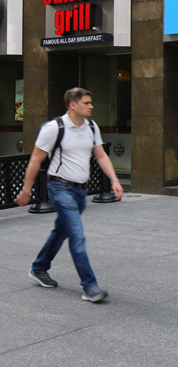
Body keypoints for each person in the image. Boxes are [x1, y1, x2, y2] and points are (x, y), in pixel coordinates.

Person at [16, 87, 124, 303]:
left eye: (91, 102)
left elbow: (101, 155)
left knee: (61, 231)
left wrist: (114, 180)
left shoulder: (91, 127)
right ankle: (90, 287)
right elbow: (36, 159)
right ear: (73, 105)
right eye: (86, 103)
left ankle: (38, 268)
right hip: (60, 188)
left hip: (81, 190)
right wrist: (27, 189)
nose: (91, 106)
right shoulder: (53, 128)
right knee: (76, 234)